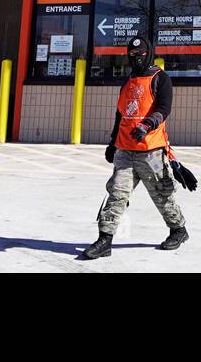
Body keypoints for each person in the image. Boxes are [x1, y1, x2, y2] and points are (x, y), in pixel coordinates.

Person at [79, 35, 187, 259]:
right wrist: (112, 143)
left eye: (141, 54)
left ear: (150, 53)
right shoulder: (127, 83)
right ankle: (104, 239)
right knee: (116, 194)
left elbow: (164, 108)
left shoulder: (161, 78)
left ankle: (178, 230)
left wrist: (147, 125)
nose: (137, 58)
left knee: (161, 195)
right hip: (125, 151)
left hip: (152, 150)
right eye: (132, 54)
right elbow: (120, 116)